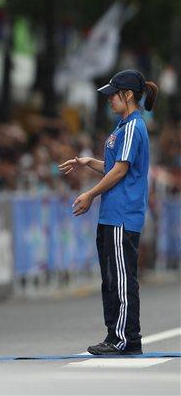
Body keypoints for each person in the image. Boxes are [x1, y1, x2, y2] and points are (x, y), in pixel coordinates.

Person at [59, 69, 158, 356]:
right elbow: (115, 165)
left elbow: (121, 170)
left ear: (127, 95)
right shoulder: (122, 127)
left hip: (122, 214)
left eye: (113, 95)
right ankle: (115, 334)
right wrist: (89, 162)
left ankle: (126, 338)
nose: (109, 100)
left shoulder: (132, 127)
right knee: (111, 277)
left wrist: (90, 193)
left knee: (123, 278)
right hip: (112, 214)